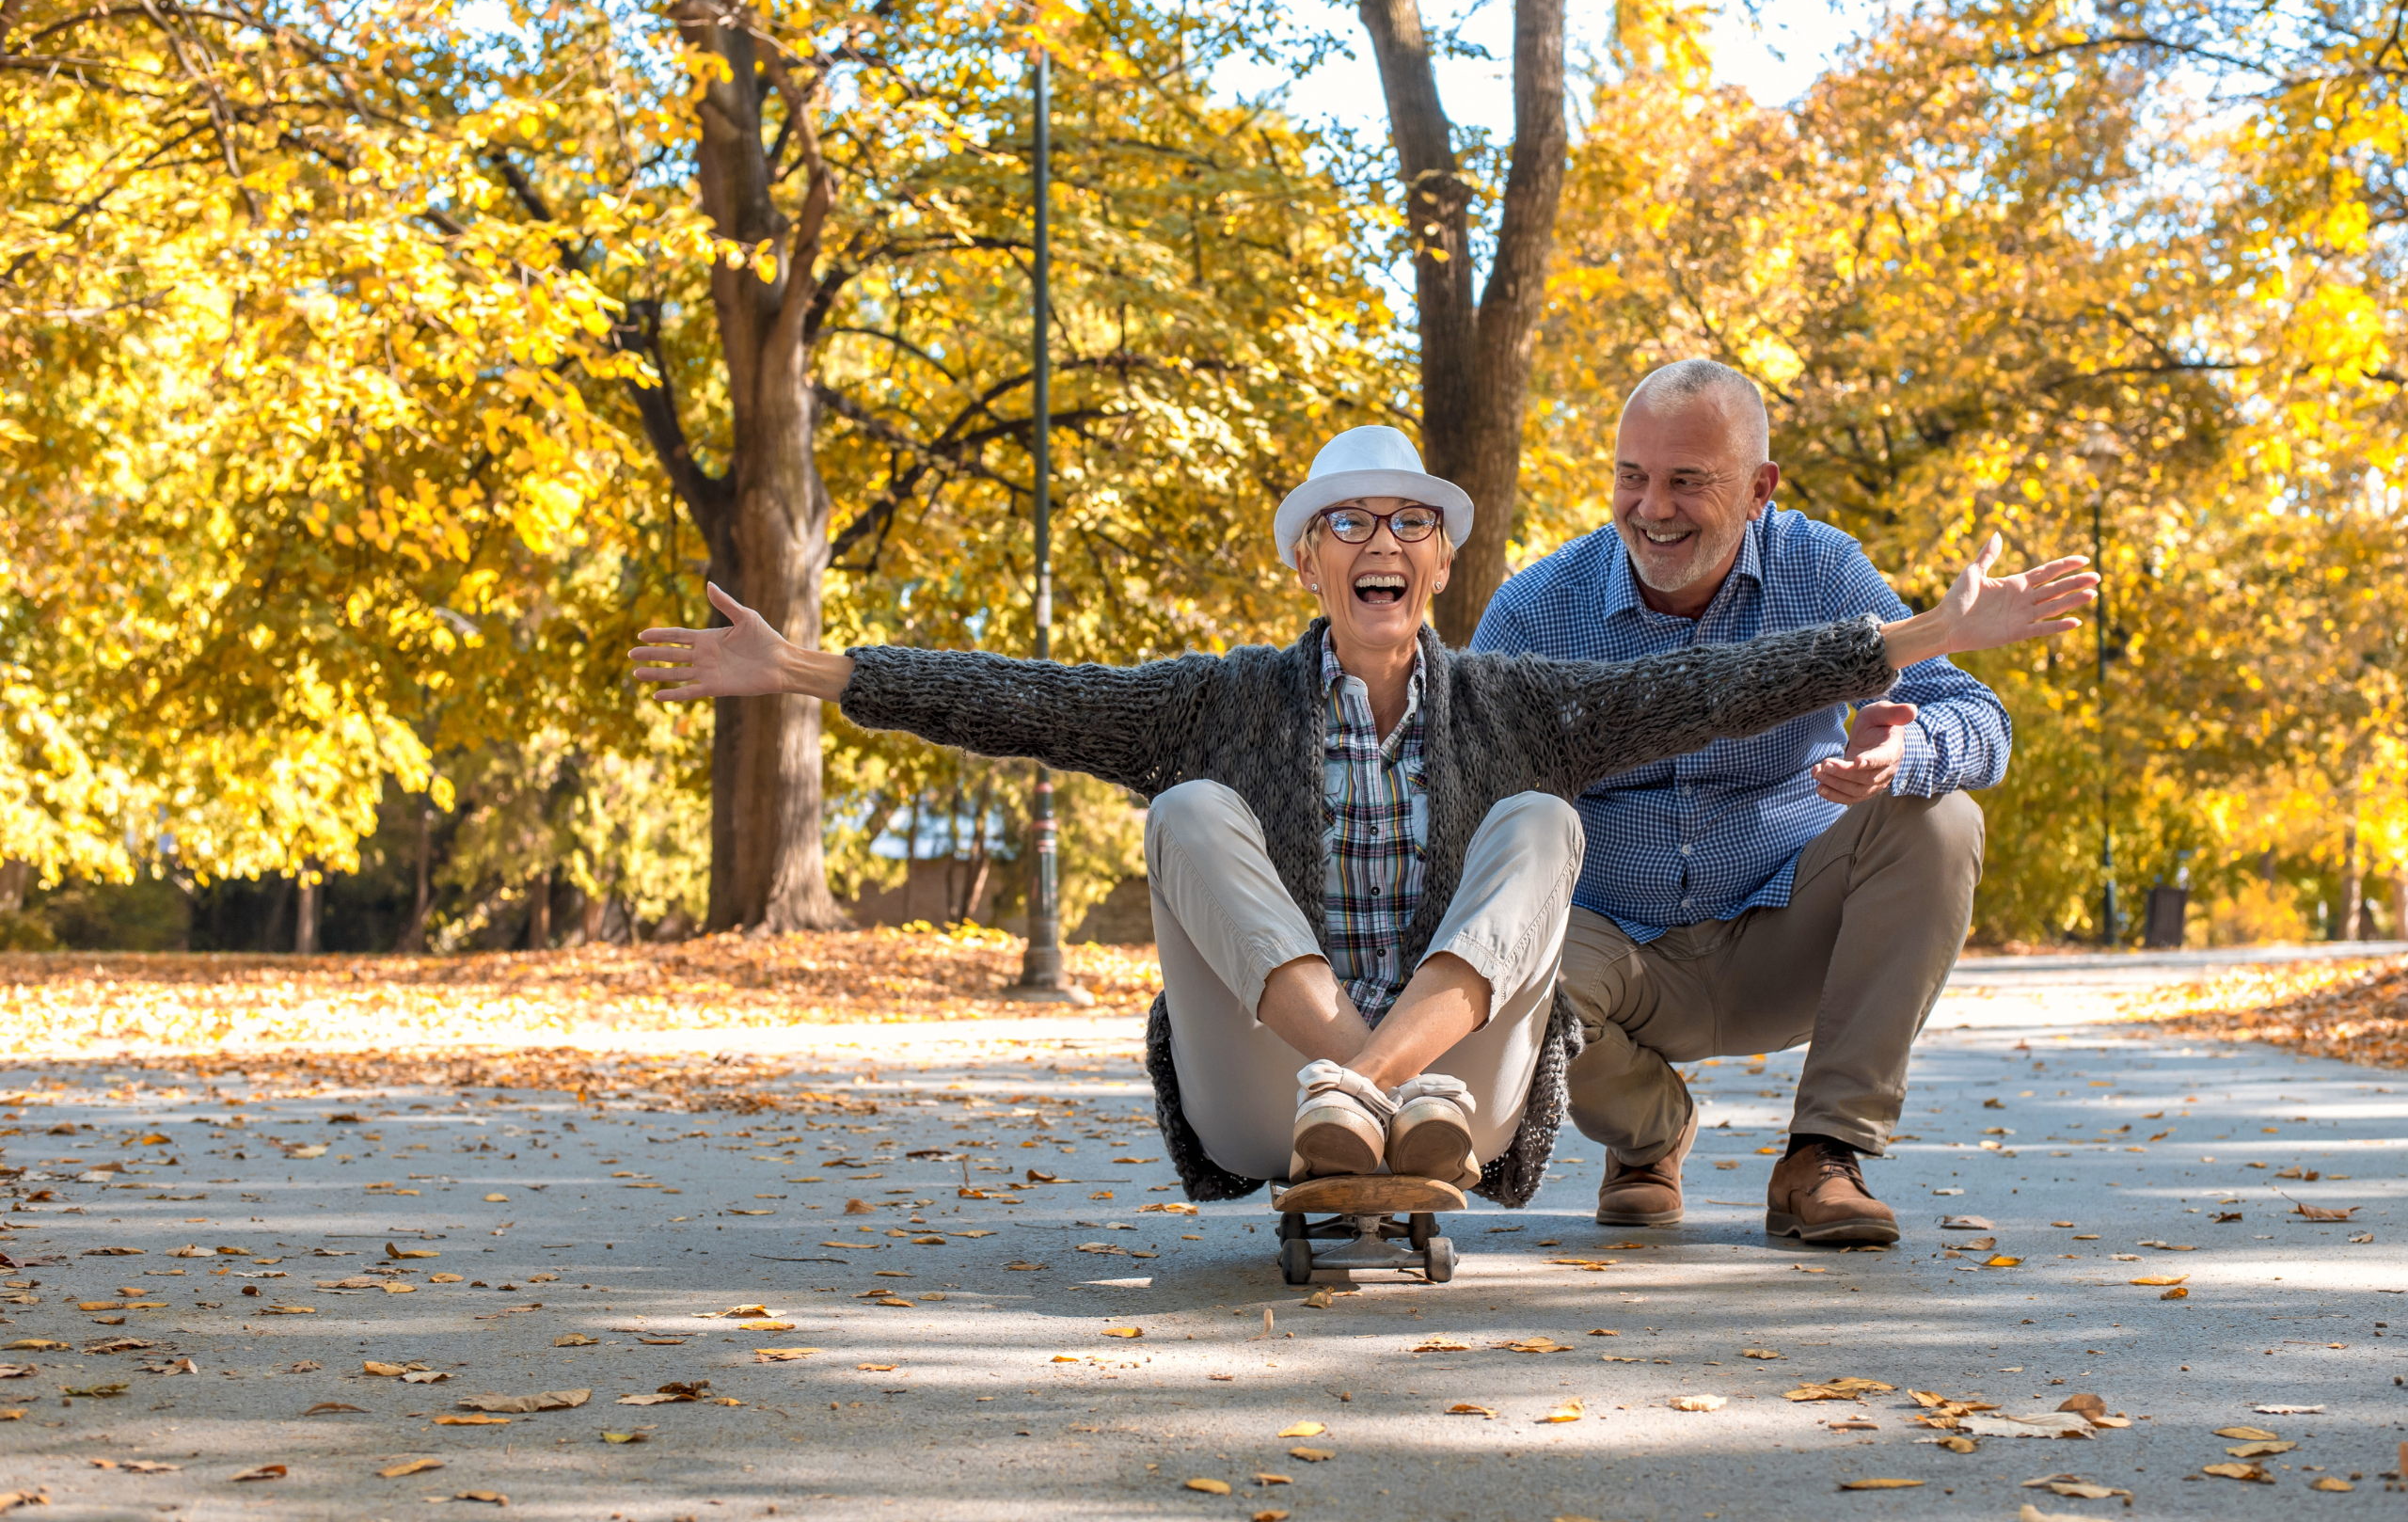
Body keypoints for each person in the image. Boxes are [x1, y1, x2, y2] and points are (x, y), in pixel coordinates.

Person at [632, 425, 2095, 1208]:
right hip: (1272, 1090)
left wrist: (1909, 637)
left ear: (1442, 566)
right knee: (1192, 809)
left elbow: (1728, 685)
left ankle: (1393, 1088)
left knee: (1538, 823)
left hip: (1468, 1097)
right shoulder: (1220, 700)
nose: (1379, 543)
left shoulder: (1524, 701)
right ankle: (1357, 1081)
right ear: (1307, 566)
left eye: (1408, 524)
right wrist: (808, 670)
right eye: (1348, 524)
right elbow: (1026, 698)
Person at [1471, 357, 2034, 1244]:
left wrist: (1904, 750)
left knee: (1943, 816)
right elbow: (1468, 801)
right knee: (1487, 954)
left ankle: (1824, 1155)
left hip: (1787, 932)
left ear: (1760, 487)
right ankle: (1651, 1134)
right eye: (1633, 477)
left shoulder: (1821, 570)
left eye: (1688, 482)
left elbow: (1980, 720)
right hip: (1615, 947)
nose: (1653, 508)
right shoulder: (1536, 609)